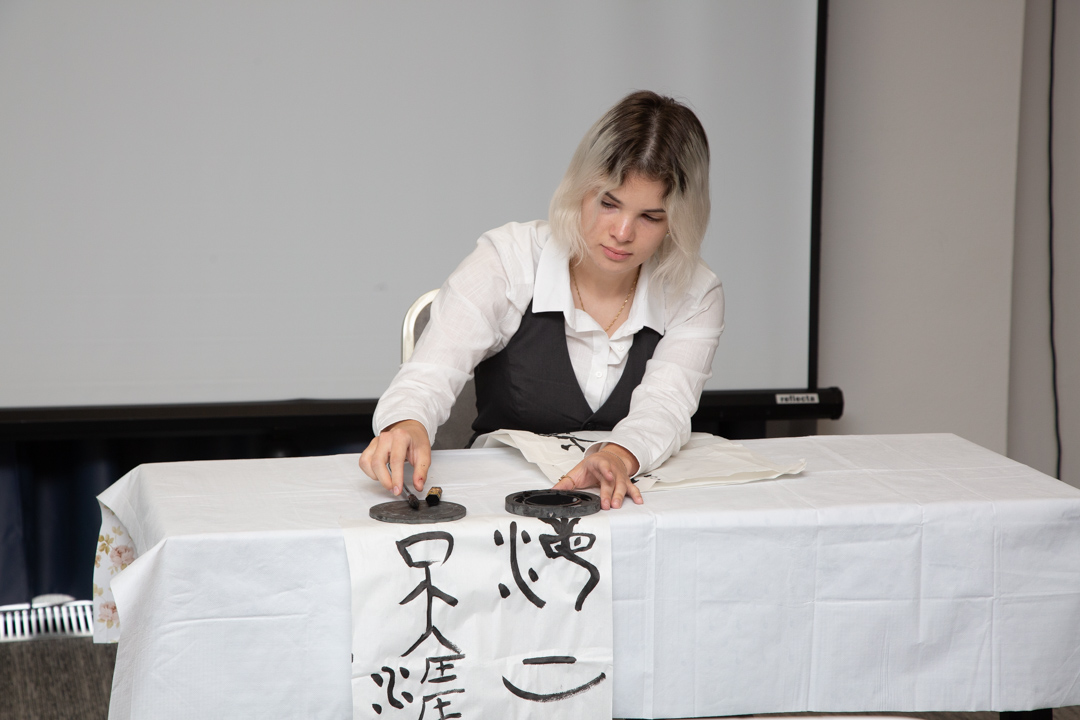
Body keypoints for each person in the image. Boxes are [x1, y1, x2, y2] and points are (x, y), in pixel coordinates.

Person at [359, 90, 724, 510]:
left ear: (678, 220)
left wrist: (619, 456)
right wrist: (407, 423)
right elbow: (428, 376)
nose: (622, 233)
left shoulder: (696, 291)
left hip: (622, 504)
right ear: (580, 188)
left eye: (650, 217)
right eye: (609, 203)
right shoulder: (507, 261)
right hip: (499, 505)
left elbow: (666, 406)